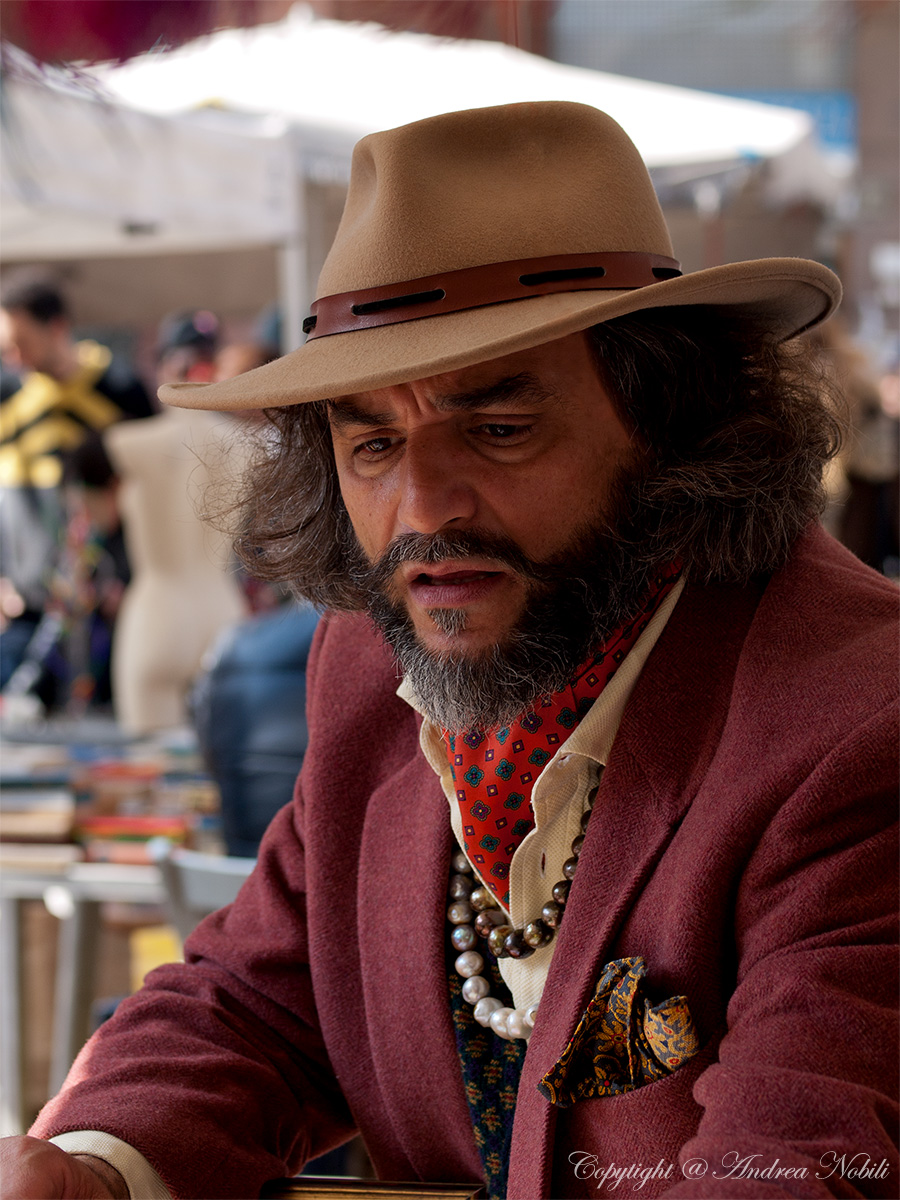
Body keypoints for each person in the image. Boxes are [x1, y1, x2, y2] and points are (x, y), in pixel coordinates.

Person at [2, 102, 896, 1200]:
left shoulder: (860, 725)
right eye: (373, 442)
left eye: (500, 428)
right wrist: (93, 1169)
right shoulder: (375, 669)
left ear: (673, 418)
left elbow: (810, 1161)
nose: (424, 509)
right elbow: (261, 999)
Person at [0, 279, 153, 697]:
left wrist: (127, 573)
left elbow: (146, 492)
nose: (13, 357)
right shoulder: (7, 395)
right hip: (25, 602)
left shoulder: (122, 391)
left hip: (103, 600)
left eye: (21, 343)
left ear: (57, 327)